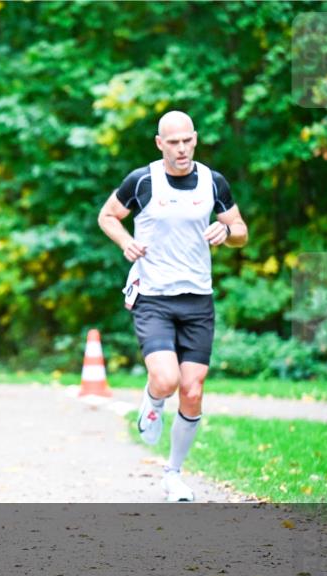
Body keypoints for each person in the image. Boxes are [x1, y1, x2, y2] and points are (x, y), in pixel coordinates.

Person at [97, 110, 248, 502]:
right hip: (154, 297)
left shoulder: (213, 182)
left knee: (193, 391)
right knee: (166, 380)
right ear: (159, 143)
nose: (181, 149)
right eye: (173, 142)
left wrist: (227, 231)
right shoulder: (143, 180)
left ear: (195, 139)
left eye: (187, 140)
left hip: (198, 299)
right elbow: (107, 216)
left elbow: (242, 232)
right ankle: (152, 399)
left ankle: (173, 473)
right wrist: (125, 242)